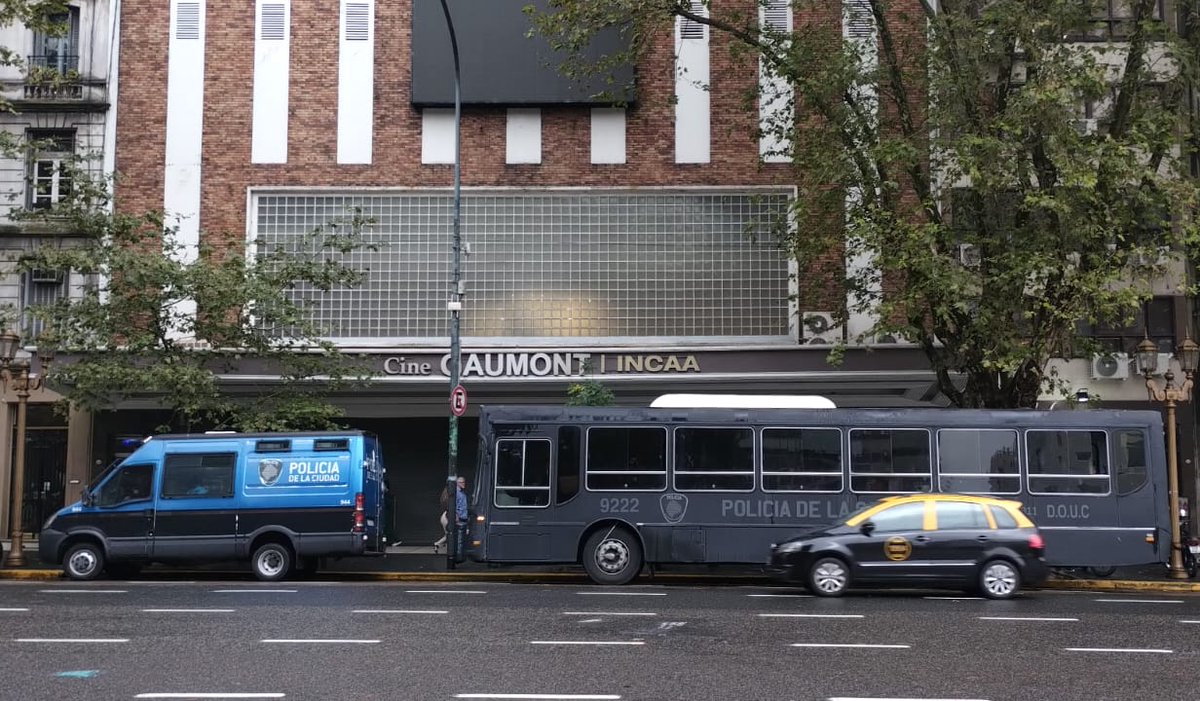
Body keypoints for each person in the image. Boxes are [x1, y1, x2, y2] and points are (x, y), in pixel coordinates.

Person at [454, 476, 468, 561]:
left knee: (461, 538)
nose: (464, 484)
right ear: (457, 483)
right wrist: (457, 518)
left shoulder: (461, 493)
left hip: (463, 517)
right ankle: (458, 557)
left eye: (464, 482)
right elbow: (454, 506)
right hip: (459, 518)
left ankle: (460, 556)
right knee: (459, 539)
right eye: (462, 482)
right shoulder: (457, 493)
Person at [433, 486, 449, 554]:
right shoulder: (449, 497)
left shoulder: (444, 497)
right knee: (450, 535)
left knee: (448, 535)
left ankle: (437, 544)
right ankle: (439, 544)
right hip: (447, 516)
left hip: (444, 516)